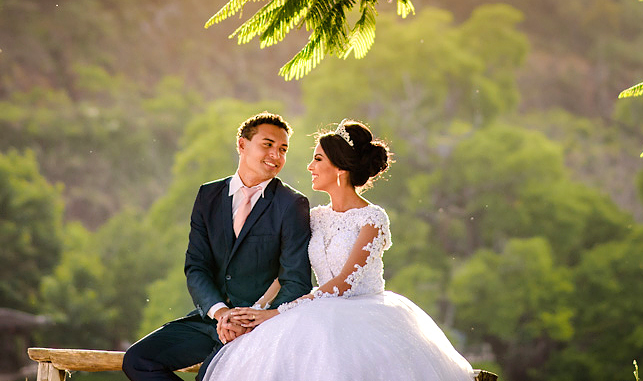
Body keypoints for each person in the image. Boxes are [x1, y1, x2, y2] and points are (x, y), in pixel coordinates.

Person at [203, 120, 476, 381]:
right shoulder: (315, 216)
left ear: (340, 169)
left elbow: (344, 284)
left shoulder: (372, 218)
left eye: (318, 159)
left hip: (366, 318)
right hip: (317, 310)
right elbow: (284, 272)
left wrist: (277, 313)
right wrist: (254, 312)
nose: (310, 166)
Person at [122, 112, 312, 381]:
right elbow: (196, 266)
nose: (276, 155)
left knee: (211, 376)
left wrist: (253, 319)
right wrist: (221, 313)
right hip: (212, 319)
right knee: (139, 360)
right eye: (267, 144)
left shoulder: (292, 204)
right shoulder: (208, 195)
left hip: (260, 326)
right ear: (242, 145)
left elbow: (297, 281)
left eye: (283, 149)